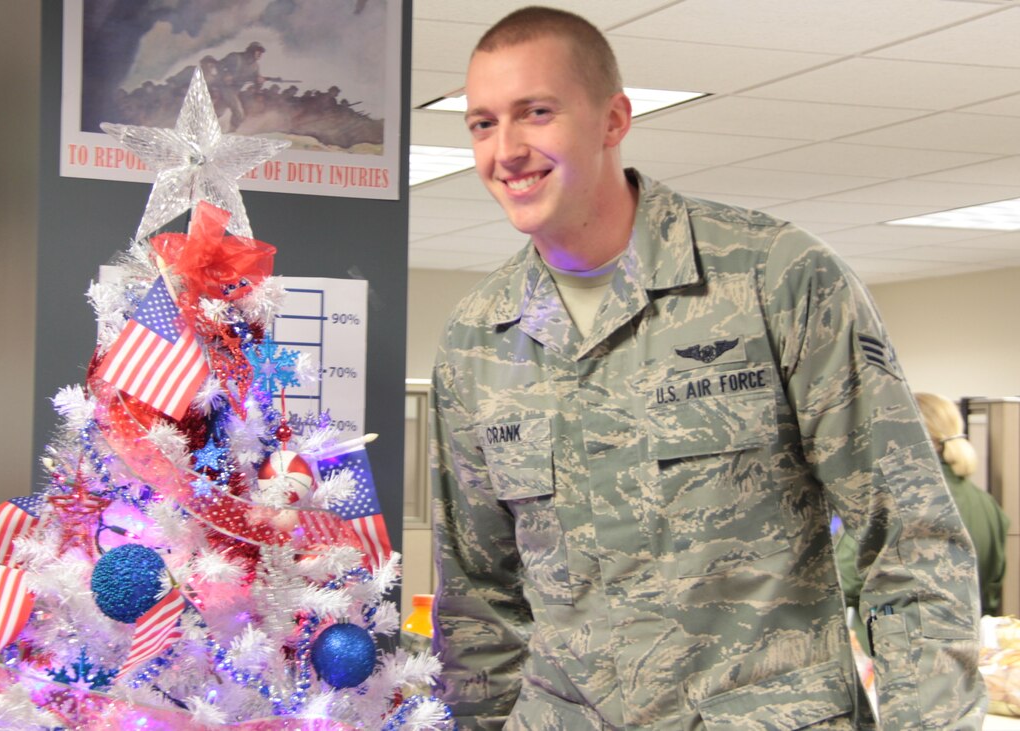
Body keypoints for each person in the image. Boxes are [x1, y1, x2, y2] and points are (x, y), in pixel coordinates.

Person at [428, 6, 985, 730]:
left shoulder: (773, 277)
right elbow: (478, 603)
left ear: (613, 120)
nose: (506, 149)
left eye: (536, 113)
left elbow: (910, 541)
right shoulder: (477, 338)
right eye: (482, 123)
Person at [838, 393, 1009, 639]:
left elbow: (844, 583)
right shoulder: (987, 504)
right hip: (964, 648)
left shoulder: (890, 500)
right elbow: (991, 593)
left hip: (898, 650)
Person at [216, 41, 267, 131]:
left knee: (218, 111)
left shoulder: (255, 66)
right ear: (251, 51)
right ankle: (231, 132)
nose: (260, 54)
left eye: (261, 52)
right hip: (224, 87)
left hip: (234, 91)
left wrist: (259, 81)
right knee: (239, 114)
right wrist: (225, 74)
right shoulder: (235, 58)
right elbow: (218, 66)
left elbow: (257, 84)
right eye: (258, 51)